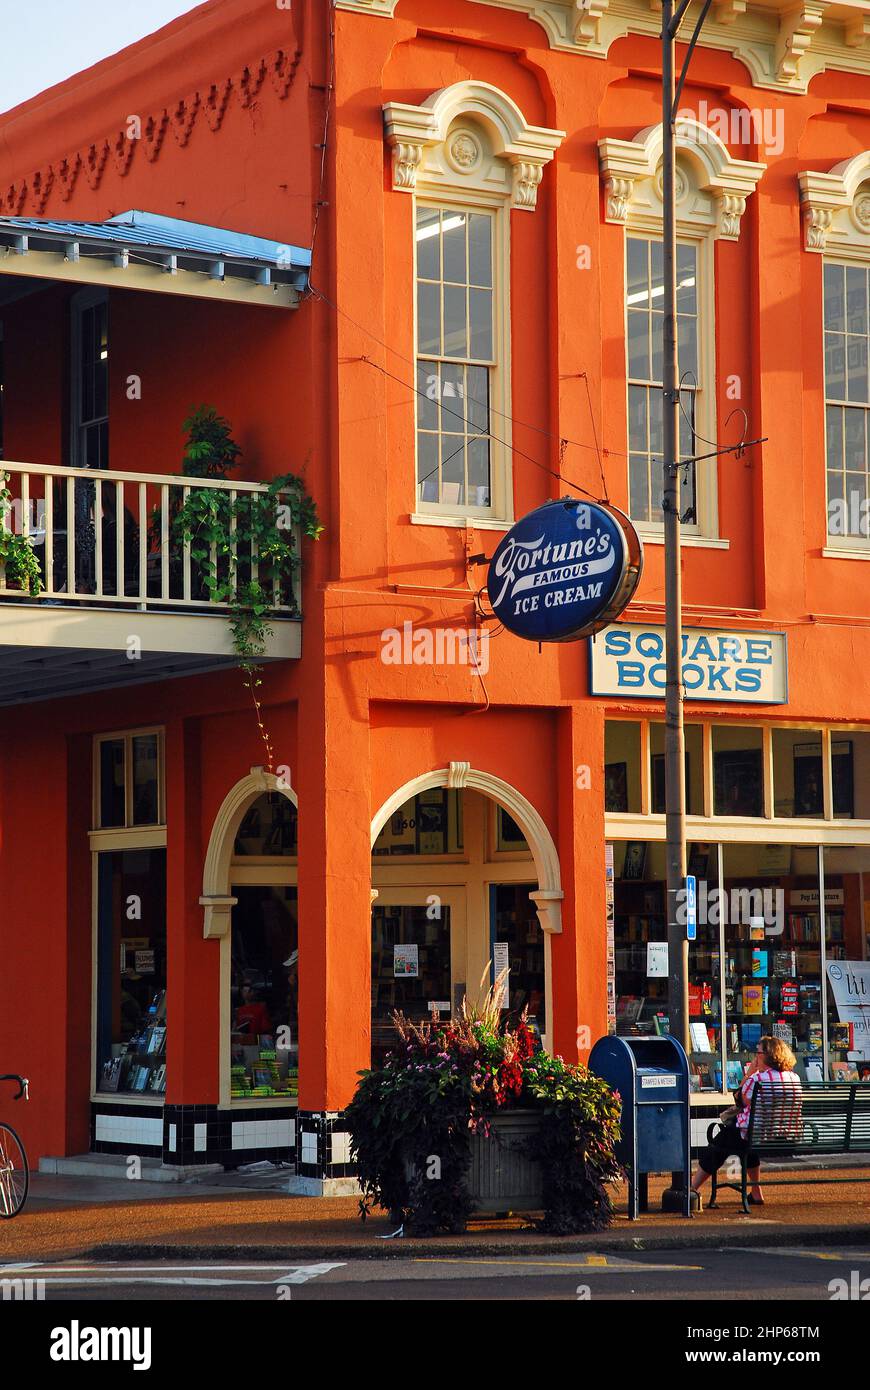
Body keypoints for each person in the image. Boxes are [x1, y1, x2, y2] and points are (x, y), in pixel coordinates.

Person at [691, 1036, 803, 1208]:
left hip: (755, 1135)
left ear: (768, 1055)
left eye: (757, 1053)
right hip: (784, 1137)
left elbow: (739, 1099)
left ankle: (692, 1188)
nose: (755, 1057)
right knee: (746, 1143)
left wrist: (750, 1073)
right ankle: (756, 1192)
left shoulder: (757, 1079)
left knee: (718, 1144)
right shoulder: (794, 1078)